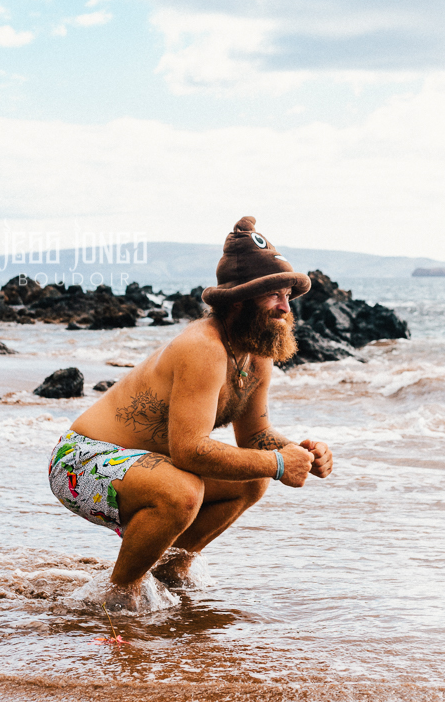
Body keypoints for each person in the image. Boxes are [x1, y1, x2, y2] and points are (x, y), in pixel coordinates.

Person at [48, 216, 333, 606]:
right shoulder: (203, 347)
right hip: (78, 462)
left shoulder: (255, 354)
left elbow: (255, 437)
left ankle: (168, 570)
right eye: (273, 296)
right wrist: (280, 464)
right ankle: (118, 595)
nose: (285, 307)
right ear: (239, 301)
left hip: (143, 464)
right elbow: (188, 451)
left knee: (252, 479)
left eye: (287, 296)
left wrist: (299, 452)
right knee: (181, 491)